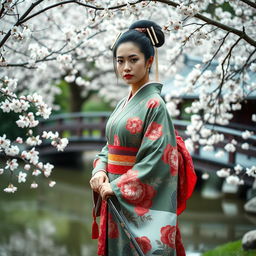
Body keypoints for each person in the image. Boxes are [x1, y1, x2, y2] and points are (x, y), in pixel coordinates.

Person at [89, 20, 196, 256]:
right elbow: (110, 146)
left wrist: (117, 187)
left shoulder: (156, 105)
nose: (126, 67)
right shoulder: (121, 103)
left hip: (128, 196)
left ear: (149, 61)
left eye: (133, 59)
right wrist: (100, 170)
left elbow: (158, 160)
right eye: (120, 61)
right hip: (114, 192)